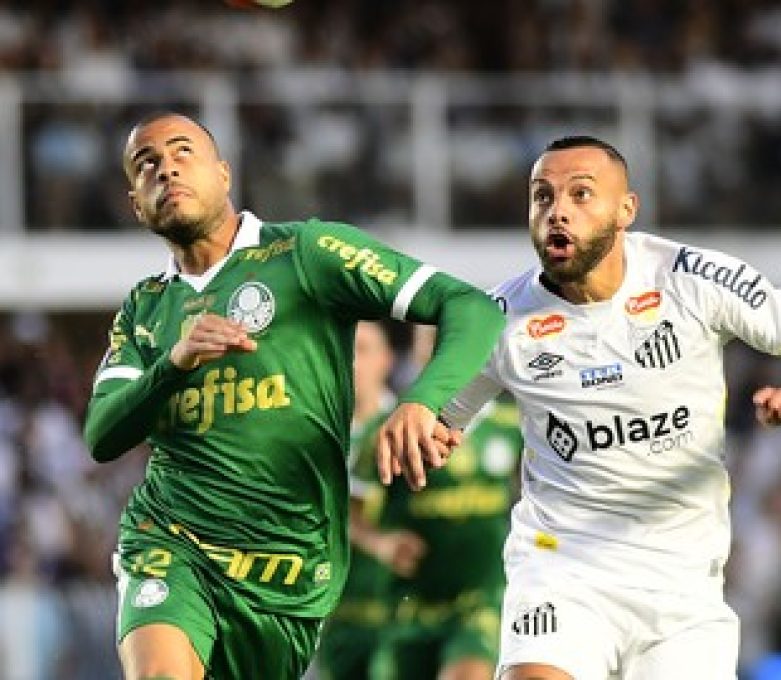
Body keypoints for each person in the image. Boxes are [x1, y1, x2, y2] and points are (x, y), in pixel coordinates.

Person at [398, 136, 781, 680]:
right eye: (542, 197)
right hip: (561, 567)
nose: (558, 213)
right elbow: (435, 423)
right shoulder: (499, 319)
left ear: (627, 210)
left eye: (580, 195)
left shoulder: (693, 280)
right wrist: (422, 433)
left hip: (682, 585)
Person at [83, 111, 505, 680]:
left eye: (183, 153)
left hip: (291, 571)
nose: (166, 169)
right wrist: (173, 363)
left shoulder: (308, 252)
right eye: (146, 164)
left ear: (224, 174)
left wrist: (421, 400)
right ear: (136, 203)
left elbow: (470, 307)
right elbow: (102, 434)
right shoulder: (143, 309)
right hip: (172, 538)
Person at [366, 325, 523, 680]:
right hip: (409, 609)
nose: (442, 351)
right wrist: (381, 543)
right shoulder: (388, 429)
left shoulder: (510, 425)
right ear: (417, 352)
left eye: (451, 339)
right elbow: (348, 508)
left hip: (480, 602)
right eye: (430, 341)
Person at [316, 320, 426, 679]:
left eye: (362, 350)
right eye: (343, 350)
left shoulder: (411, 432)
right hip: (330, 618)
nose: (351, 362)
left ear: (388, 360)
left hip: (401, 616)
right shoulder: (312, 433)